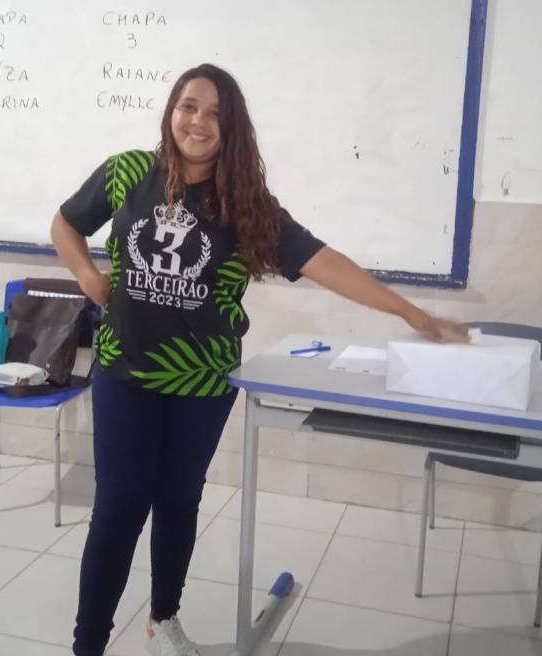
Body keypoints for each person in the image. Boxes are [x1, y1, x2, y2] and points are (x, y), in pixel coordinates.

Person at [51, 63, 468, 656]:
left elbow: (325, 262)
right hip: (125, 371)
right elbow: (65, 223)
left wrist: (410, 313)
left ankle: (163, 619)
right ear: (171, 111)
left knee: (178, 501)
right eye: (188, 106)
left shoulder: (244, 202)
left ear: (233, 128)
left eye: (215, 113)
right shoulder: (128, 173)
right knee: (118, 507)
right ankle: (87, 645)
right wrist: (88, 275)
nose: (198, 122)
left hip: (202, 382)